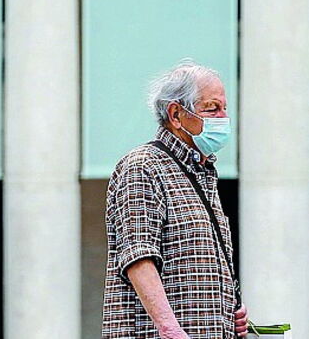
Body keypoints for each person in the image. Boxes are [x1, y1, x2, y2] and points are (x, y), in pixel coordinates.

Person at [102, 60, 248, 339]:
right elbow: (138, 257)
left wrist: (227, 307)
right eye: (212, 108)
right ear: (176, 114)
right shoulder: (143, 166)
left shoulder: (203, 172)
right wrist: (170, 329)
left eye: (224, 108)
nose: (223, 117)